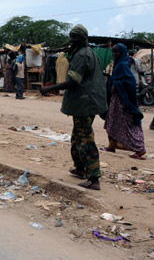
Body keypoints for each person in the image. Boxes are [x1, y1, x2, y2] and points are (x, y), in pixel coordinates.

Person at [40, 24, 107, 191]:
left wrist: (49, 88)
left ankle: (94, 178)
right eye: (70, 37)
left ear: (82, 39)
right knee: (77, 137)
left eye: (74, 37)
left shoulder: (82, 55)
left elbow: (72, 81)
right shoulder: (87, 53)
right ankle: (80, 168)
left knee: (85, 139)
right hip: (87, 102)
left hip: (85, 103)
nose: (71, 40)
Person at [101, 44, 146, 159]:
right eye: (113, 52)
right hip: (115, 99)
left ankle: (139, 148)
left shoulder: (123, 65)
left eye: (117, 52)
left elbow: (129, 81)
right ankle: (112, 145)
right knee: (111, 122)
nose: (115, 54)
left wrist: (117, 85)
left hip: (122, 101)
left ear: (122, 53)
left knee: (126, 124)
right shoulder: (117, 64)